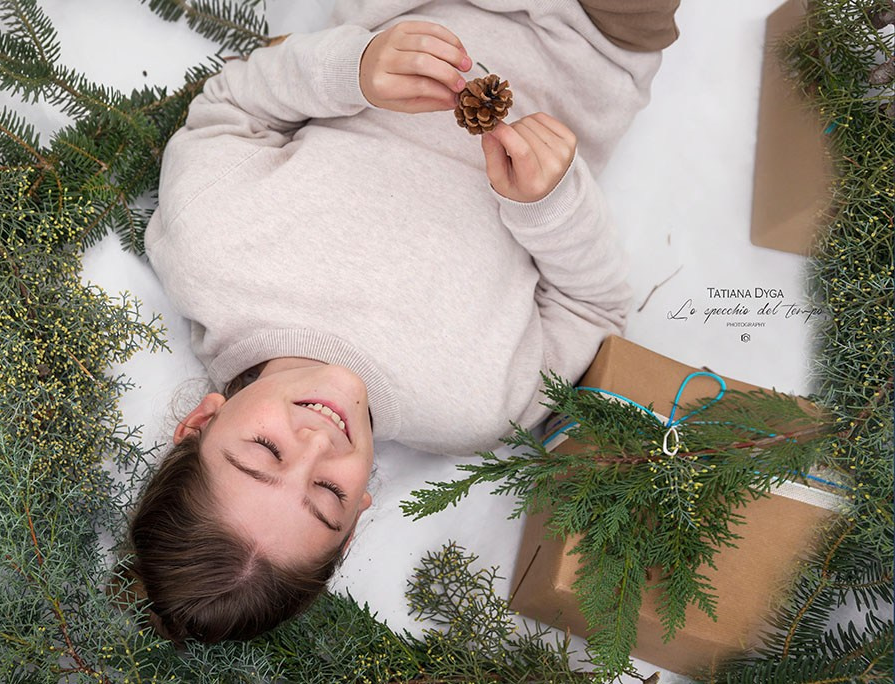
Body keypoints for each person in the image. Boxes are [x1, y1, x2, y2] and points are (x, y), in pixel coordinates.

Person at [128, 0, 680, 644]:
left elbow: (234, 106)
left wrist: (353, 69)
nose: (317, 442)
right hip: (586, 44)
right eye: (328, 493)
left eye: (266, 450)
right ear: (359, 515)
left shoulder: (210, 250)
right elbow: (591, 307)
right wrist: (550, 206)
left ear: (199, 421)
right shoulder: (470, 407)